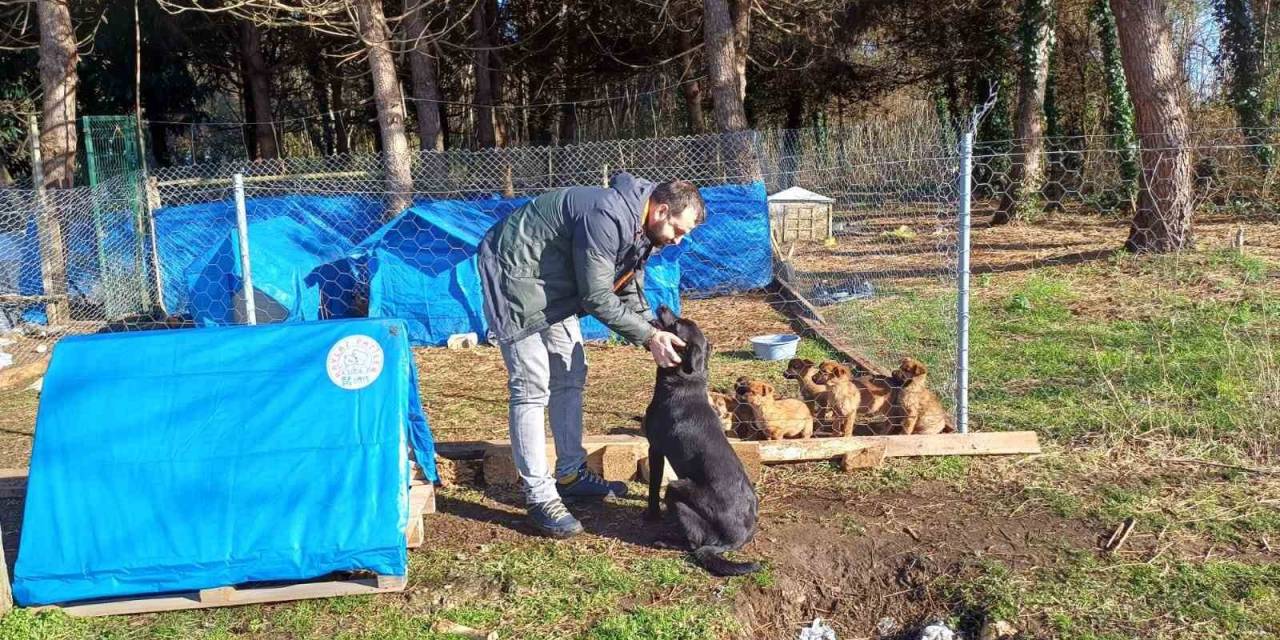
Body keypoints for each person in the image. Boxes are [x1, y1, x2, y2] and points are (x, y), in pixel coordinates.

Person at [478, 172, 707, 538]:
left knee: (571, 372)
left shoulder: (642, 227)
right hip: (514, 274)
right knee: (532, 384)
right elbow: (597, 297)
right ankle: (539, 496)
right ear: (662, 211)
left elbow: (627, 285)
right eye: (679, 231)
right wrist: (649, 337)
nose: (678, 241)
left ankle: (570, 473)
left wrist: (653, 325)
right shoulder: (608, 215)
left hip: (553, 281)